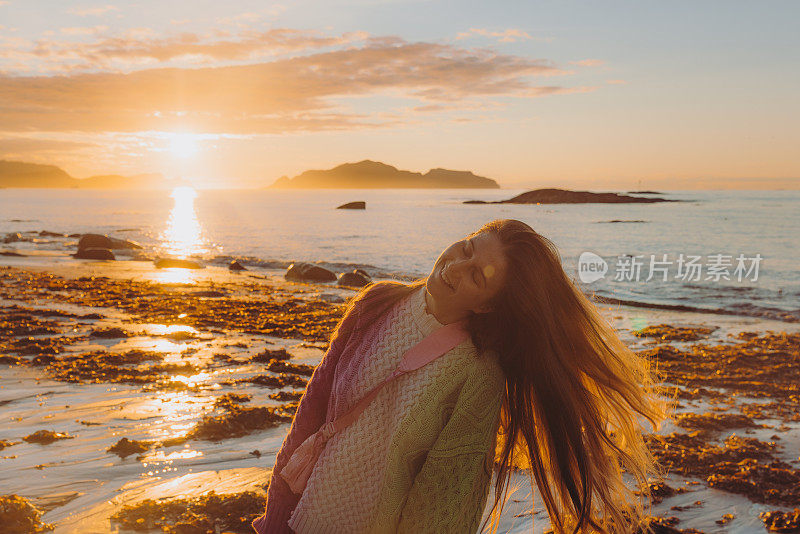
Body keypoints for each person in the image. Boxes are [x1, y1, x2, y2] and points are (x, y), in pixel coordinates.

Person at [253, 218, 669, 534]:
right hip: (301, 517)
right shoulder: (375, 304)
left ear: (488, 306)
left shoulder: (477, 373)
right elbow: (310, 414)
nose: (456, 266)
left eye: (477, 276)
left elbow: (441, 500)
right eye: (467, 249)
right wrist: (275, 517)